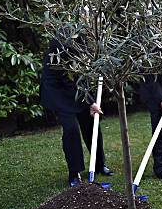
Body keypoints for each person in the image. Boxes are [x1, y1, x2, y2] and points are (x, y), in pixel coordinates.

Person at [40, 37, 113, 188]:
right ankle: (74, 172)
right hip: (58, 93)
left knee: (92, 125)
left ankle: (99, 164)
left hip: (77, 89)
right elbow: (69, 78)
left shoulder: (85, 39)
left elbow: (82, 75)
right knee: (71, 129)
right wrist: (90, 101)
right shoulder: (63, 40)